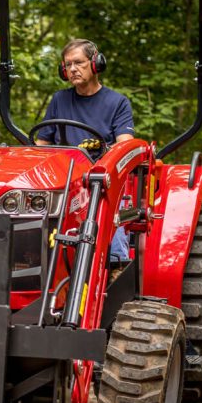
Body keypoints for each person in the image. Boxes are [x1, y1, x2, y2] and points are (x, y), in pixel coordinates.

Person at [36, 38, 134, 259]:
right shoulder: (59, 100)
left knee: (107, 205)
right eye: (68, 65)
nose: (72, 69)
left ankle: (115, 264)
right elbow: (42, 145)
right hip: (66, 179)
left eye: (78, 63)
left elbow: (125, 147)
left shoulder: (117, 102)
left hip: (100, 180)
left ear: (96, 63)